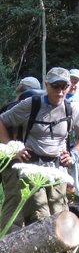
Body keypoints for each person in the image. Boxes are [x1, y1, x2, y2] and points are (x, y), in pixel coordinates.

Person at [0, 67, 79, 253]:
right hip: (32, 170)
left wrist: (74, 153)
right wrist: (14, 150)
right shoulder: (32, 105)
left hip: (57, 171)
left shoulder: (72, 109)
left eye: (64, 86)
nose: (60, 91)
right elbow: (1, 121)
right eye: (56, 86)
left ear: (69, 87)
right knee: (40, 221)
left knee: (61, 221)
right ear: (47, 86)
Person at [0, 75, 43, 230]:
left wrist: (11, 149)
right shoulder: (39, 106)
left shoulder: (9, 107)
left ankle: (10, 244)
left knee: (13, 204)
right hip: (32, 161)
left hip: (11, 162)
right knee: (34, 204)